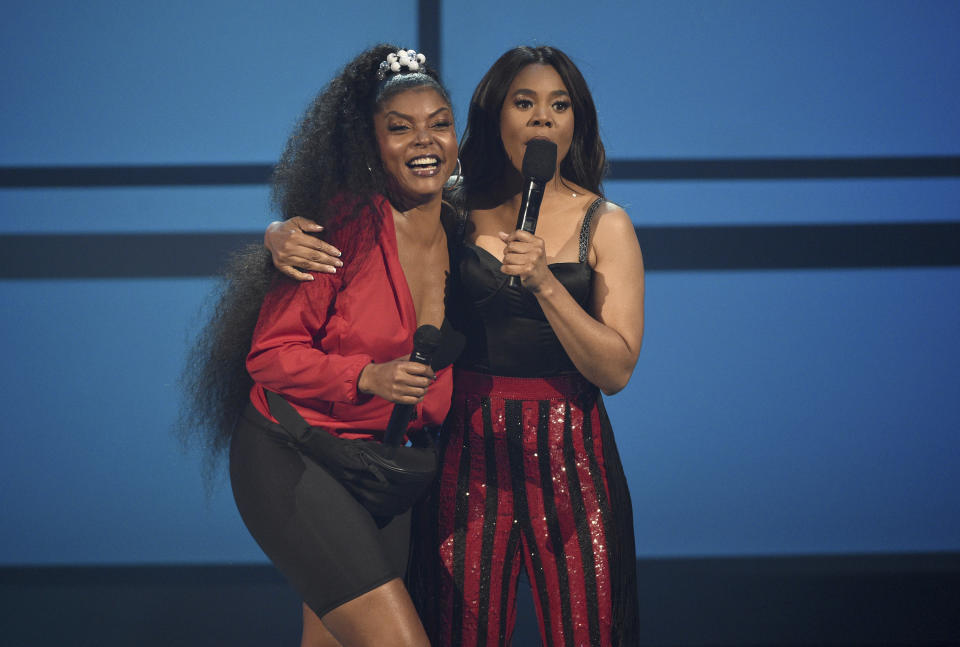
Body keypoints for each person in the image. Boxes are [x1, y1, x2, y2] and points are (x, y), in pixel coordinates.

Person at [265, 45, 644, 647]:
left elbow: (617, 369)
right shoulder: (449, 205)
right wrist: (278, 233)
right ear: (498, 116)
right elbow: (357, 217)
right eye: (525, 103)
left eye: (559, 104)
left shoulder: (608, 223)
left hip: (570, 453)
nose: (543, 118)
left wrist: (546, 283)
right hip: (466, 450)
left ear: (578, 121)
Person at [180, 44, 459, 647]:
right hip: (294, 454)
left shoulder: (468, 234)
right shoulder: (338, 231)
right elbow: (270, 356)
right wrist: (368, 377)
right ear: (372, 144)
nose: (424, 141)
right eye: (400, 128)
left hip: (386, 468)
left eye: (440, 123)